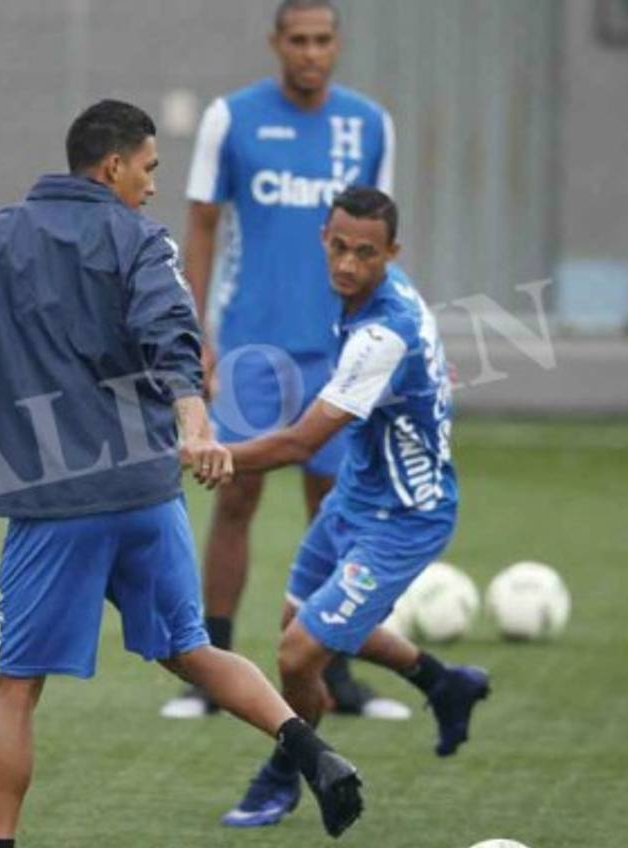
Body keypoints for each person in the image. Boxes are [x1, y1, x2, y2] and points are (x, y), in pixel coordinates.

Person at [0, 99, 362, 848]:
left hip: (54, 506)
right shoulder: (142, 241)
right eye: (148, 168)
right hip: (147, 494)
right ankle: (307, 748)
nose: (153, 186)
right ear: (112, 165)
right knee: (190, 650)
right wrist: (193, 425)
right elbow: (170, 335)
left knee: (16, 688)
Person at [217, 185, 490, 829]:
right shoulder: (372, 297)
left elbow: (301, 443)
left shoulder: (384, 333)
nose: (347, 264)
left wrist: (209, 454)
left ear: (392, 253)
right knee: (304, 623)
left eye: (365, 253)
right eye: (338, 247)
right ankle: (442, 683)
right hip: (357, 495)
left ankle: (288, 773)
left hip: (405, 518)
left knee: (297, 653)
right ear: (324, 238)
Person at [164, 0, 405, 720]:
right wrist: (194, 334)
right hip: (250, 349)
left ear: (337, 44)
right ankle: (210, 671)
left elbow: (383, 242)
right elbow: (201, 225)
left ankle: (337, 673)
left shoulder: (369, 124)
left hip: (339, 351)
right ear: (276, 43)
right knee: (233, 496)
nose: (310, 52)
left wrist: (391, 342)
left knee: (335, 510)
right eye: (297, 39)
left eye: (321, 39)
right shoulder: (230, 118)